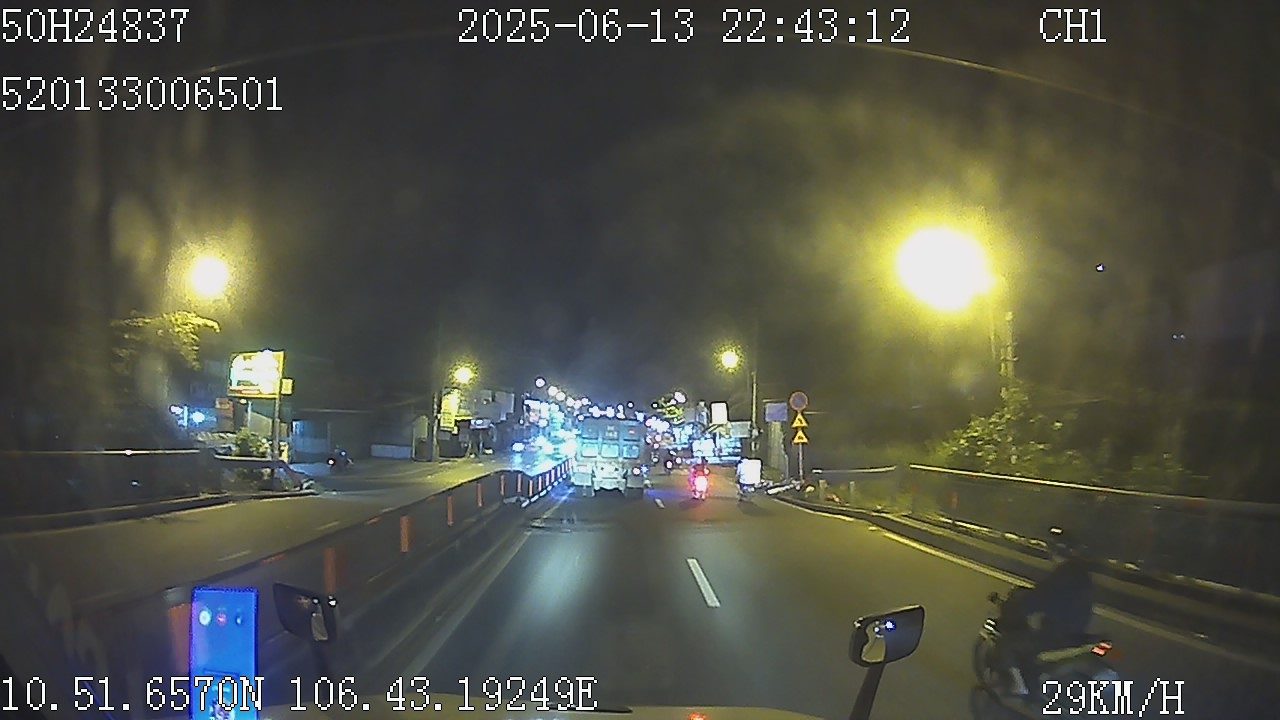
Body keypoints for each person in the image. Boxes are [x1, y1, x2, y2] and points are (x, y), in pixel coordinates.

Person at [1001, 526, 1095, 699]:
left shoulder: (1060, 576)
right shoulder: (1080, 572)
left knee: (1007, 644)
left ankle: (1019, 686)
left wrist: (1019, 606)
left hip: (1057, 632)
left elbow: (1038, 599)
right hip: (1077, 628)